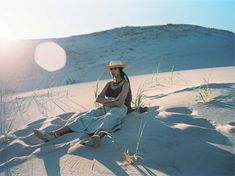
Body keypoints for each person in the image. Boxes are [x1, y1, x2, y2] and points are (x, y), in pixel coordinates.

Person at [33, 60, 132, 147]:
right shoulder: (109, 84)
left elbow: (119, 103)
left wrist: (107, 102)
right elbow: (98, 98)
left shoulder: (125, 84)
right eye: (111, 69)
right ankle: (52, 134)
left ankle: (96, 138)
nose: (112, 71)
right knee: (84, 117)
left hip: (119, 109)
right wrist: (110, 102)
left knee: (109, 117)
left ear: (120, 70)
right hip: (106, 107)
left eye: (115, 69)